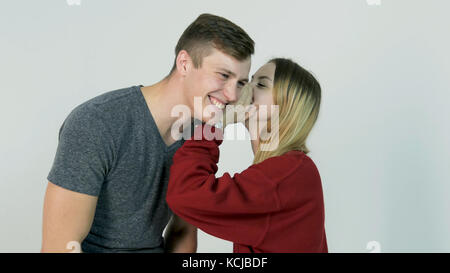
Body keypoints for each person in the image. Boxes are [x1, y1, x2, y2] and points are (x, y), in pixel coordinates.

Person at [41, 13, 254, 253]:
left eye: (240, 83)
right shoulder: (98, 122)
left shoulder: (199, 134)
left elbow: (182, 230)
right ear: (184, 63)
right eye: (224, 75)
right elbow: (59, 247)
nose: (233, 95)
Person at [166, 58, 328, 253]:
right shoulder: (288, 170)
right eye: (248, 80)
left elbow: (185, 194)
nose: (245, 87)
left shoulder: (289, 173)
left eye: (260, 84)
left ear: (286, 106)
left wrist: (216, 125)